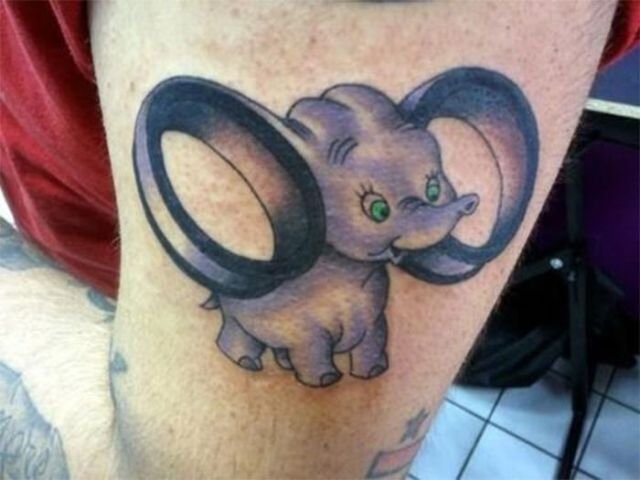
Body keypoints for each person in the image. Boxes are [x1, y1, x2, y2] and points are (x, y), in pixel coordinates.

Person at [0, 1, 638, 478]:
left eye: (433, 187)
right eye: (378, 205)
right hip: (92, 260)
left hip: (116, 329)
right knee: (293, 332)